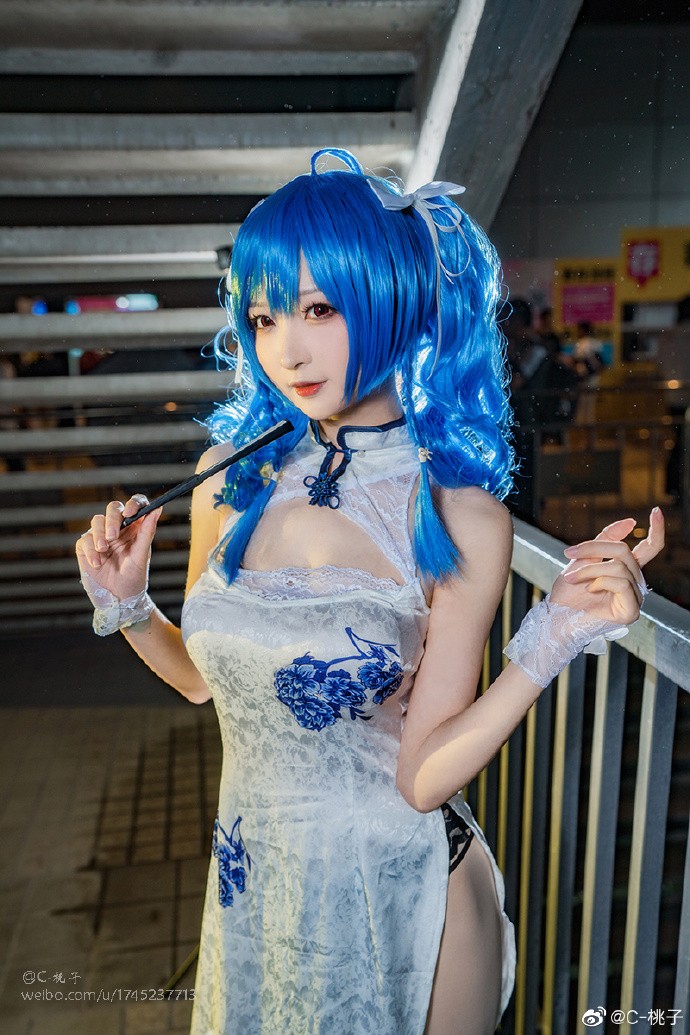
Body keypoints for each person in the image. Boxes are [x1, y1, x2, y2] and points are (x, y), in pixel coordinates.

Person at [75, 149, 664, 1035]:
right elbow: (204, 678)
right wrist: (129, 606)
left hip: (406, 896)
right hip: (261, 891)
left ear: (389, 299)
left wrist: (554, 634)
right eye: (265, 316)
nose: (288, 348)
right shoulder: (228, 476)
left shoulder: (458, 512)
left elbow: (422, 778)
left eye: (320, 308)